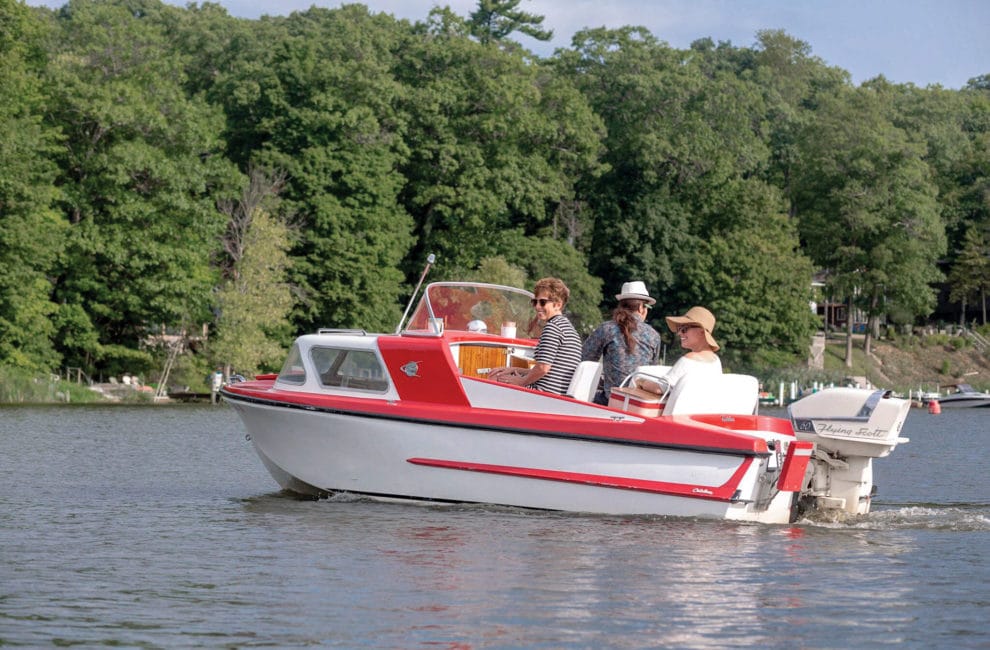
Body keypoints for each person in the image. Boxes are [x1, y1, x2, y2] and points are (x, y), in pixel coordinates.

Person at [488, 277, 582, 395]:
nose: (537, 306)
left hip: (543, 395)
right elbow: (547, 370)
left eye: (542, 302)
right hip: (557, 394)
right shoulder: (569, 329)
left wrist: (520, 382)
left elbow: (543, 369)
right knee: (504, 374)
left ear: (558, 305)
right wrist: (515, 369)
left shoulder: (552, 328)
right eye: (535, 302)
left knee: (495, 377)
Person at [582, 280, 663, 405]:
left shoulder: (607, 329)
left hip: (610, 401)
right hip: (637, 404)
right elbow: (653, 372)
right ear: (641, 307)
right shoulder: (654, 336)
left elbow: (585, 359)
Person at [653, 306, 722, 394]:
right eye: (679, 328)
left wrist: (641, 382)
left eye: (684, 329)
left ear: (701, 331)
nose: (679, 333)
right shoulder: (716, 360)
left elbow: (660, 388)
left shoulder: (691, 358)